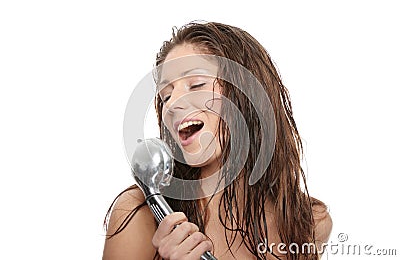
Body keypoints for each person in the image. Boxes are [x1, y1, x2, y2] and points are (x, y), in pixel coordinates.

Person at [102, 21, 332, 260]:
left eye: (197, 84)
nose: (172, 104)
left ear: (247, 94)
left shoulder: (309, 222)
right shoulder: (138, 212)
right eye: (166, 95)